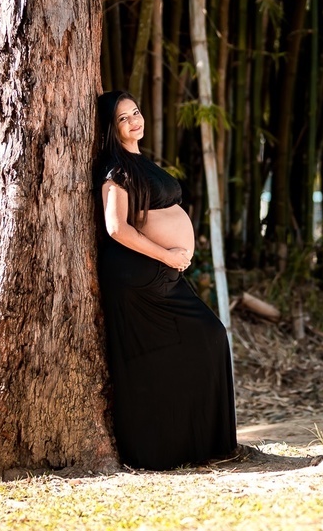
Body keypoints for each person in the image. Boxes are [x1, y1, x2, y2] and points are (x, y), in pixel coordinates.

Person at [93, 90, 237, 470]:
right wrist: (169, 256)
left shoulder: (138, 162)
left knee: (204, 340)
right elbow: (116, 228)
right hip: (139, 278)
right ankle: (159, 452)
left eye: (136, 112)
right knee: (168, 354)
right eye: (123, 118)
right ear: (112, 127)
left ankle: (199, 445)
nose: (134, 121)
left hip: (158, 274)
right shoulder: (116, 170)